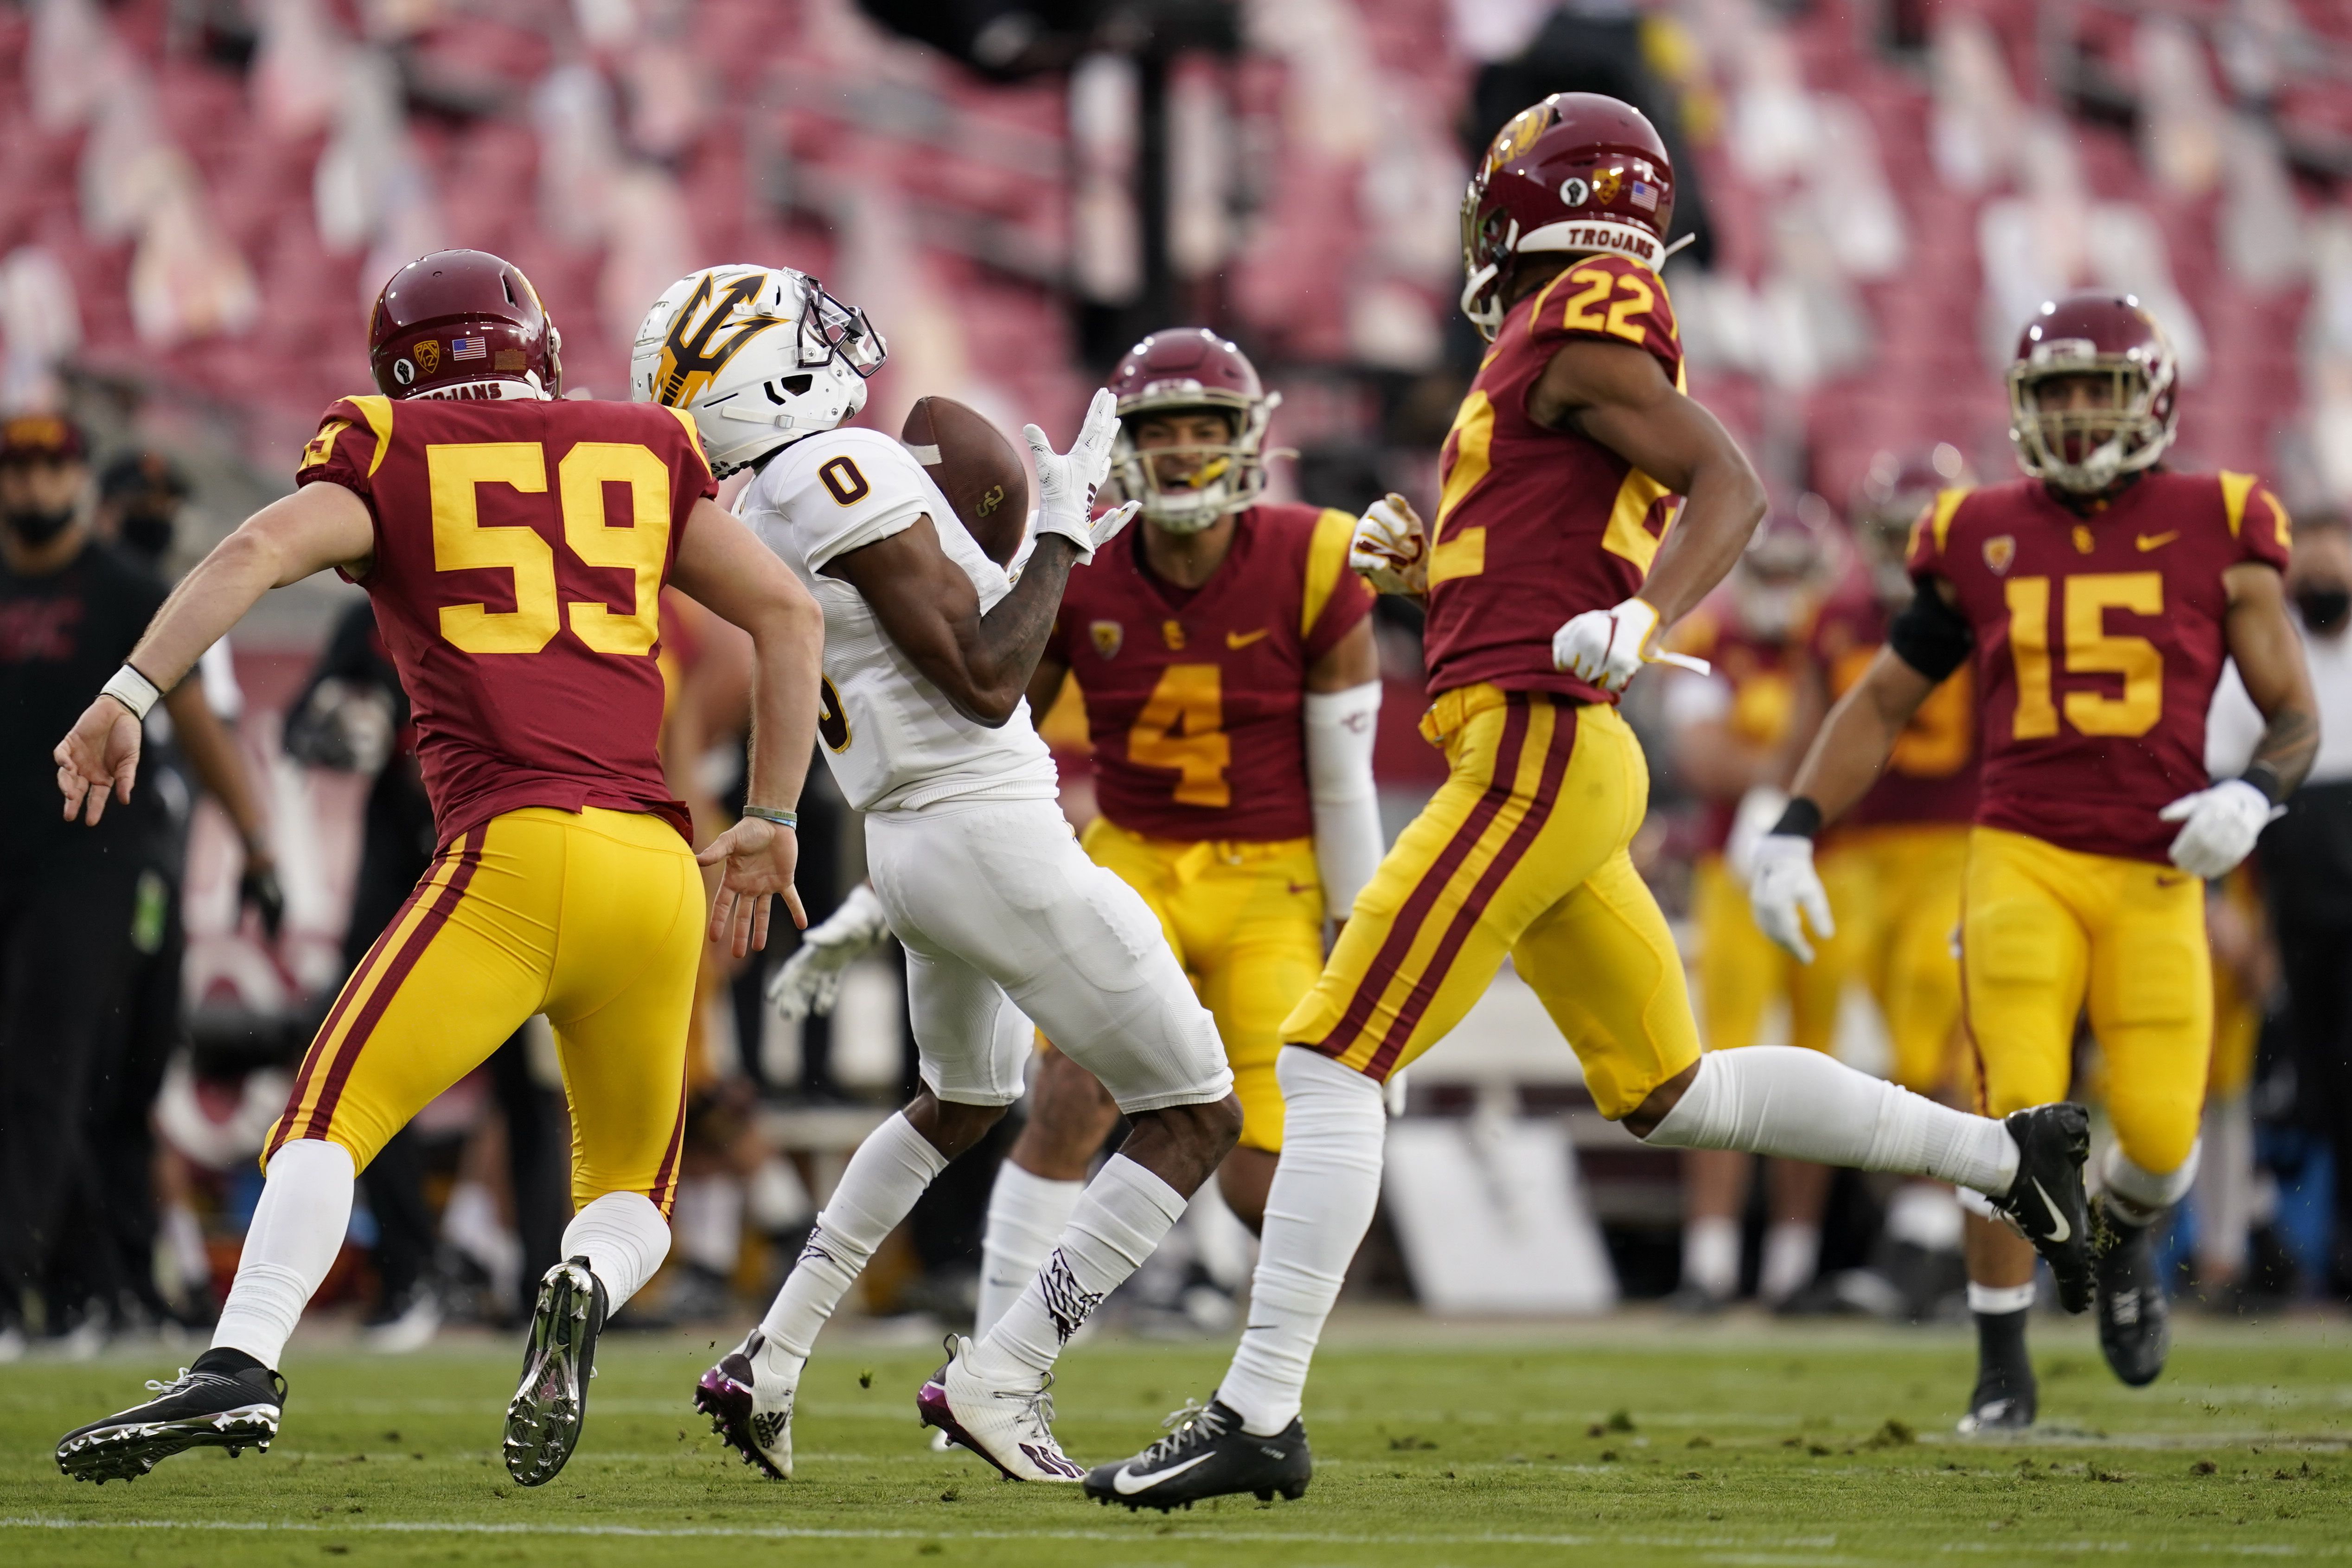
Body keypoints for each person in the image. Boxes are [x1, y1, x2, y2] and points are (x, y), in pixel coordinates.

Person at [1085, 93, 2096, 1511]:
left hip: (1539, 746)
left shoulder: (1578, 313)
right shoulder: (1550, 343)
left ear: (1533, 204)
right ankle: (2010, 1155)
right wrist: (1434, 571)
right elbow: (1560, 539)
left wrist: (1643, 611)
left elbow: (1726, 488)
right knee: (1671, 1091)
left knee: (1325, 1059)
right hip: (1544, 739)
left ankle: (1258, 1407)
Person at [51, 248, 825, 1487]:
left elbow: (250, 550)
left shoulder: (387, 445)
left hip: (515, 852)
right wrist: (775, 813)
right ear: (541, 352)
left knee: (326, 1113)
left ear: (400, 371)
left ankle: (241, 1361)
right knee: (634, 1191)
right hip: (656, 861)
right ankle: (578, 1279)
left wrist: (130, 689)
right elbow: (789, 614)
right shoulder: (643, 443)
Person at [641, 263, 1241, 1485]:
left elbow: (962, 634)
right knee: (1196, 1111)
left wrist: (1076, 533)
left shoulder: (767, 501)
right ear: (775, 374)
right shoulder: (836, 469)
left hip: (913, 844)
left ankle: (774, 1348)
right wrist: (1063, 533)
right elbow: (984, 679)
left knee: (961, 1100)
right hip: (988, 828)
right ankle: (1004, 1369)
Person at [1749, 292, 2319, 1429]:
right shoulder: (1978, 531)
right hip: (2020, 854)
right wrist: (1793, 822)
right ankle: (1999, 1363)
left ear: (2148, 398)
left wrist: (2252, 795)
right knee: (2009, 1118)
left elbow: (2293, 717)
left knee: (2157, 1136)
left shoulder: (2221, 519)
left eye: (2092, 389)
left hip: (2156, 865)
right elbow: (1881, 699)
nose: (2069, 415)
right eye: (2050, 391)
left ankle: (2121, 1243)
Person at [961, 327, 1381, 1334]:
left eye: (1207, 427)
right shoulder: (1082, 564)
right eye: (1163, 429)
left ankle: (1264, 1386)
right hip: (1133, 855)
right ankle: (989, 1356)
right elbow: (991, 721)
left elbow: (1342, 777)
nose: (1187, 449)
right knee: (1070, 1097)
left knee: (1258, 1168)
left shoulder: (1315, 555)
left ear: (1248, 439)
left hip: (1270, 877)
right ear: (1125, 445)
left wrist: (1363, 939)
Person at [0, 415, 272, 1360]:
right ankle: (86, 1282)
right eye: (18, 465)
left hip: (95, 864)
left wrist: (259, 849)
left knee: (54, 1072)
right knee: (43, 1080)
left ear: (75, 475)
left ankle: (28, 1288)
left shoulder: (126, 593)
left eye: (50, 464)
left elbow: (198, 723)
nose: (34, 484)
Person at [1662, 510, 1840, 1311]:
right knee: (1721, 1069)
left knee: (1821, 1065)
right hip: (1730, 876)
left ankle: (1792, 1267)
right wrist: (1788, 765)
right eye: (1767, 570)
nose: (1778, 590)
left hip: (1827, 871)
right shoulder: (1712, 636)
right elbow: (1700, 757)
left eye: (1793, 572)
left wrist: (1770, 766)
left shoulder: (1837, 643)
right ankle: (1710, 1261)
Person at [2208, 511, 2352, 1296]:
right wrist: (2227, 908)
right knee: (2302, 1083)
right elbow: (2228, 793)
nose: (2327, 568)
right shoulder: (2263, 661)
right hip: (2289, 917)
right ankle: (2279, 1245)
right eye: (2315, 554)